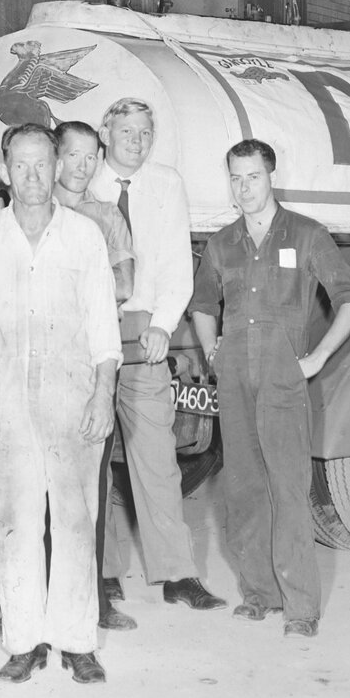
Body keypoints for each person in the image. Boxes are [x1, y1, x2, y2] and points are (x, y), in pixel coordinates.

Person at [0, 123, 122, 684]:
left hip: (73, 395)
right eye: (20, 165)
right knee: (17, 522)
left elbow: (104, 325)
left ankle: (77, 641)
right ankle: (23, 641)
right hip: (7, 398)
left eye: (42, 164)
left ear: (57, 168)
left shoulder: (84, 237)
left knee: (75, 519)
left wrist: (103, 394)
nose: (32, 176)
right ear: (4, 172)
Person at [189, 139, 350, 638]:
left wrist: (319, 356)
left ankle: (301, 609)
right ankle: (259, 594)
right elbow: (202, 303)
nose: (245, 188)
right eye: (236, 178)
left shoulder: (307, 235)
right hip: (234, 378)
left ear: (272, 177)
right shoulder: (222, 243)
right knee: (244, 488)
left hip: (283, 379)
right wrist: (211, 350)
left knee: (288, 489)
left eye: (254, 177)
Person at [87, 98, 226, 612]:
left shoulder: (167, 183)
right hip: (90, 336)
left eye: (145, 132)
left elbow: (174, 265)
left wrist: (165, 326)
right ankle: (101, 574)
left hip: (145, 334)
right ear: (105, 132)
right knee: (93, 458)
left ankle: (177, 573)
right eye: (126, 130)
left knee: (158, 459)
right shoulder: (80, 182)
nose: (136, 140)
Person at [53, 119, 136, 632]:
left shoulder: (107, 215)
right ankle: (24, 602)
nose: (83, 166)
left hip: (90, 363)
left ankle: (95, 602)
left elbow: (125, 284)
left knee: (91, 487)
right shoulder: (32, 212)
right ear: (56, 158)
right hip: (39, 365)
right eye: (74, 156)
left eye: (91, 157)